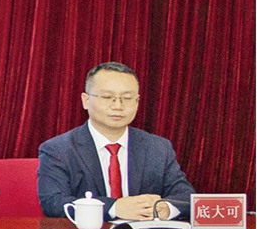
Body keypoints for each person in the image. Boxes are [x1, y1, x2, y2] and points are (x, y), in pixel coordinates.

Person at [38, 62, 193, 220]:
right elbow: (53, 202)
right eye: (107, 97)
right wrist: (114, 208)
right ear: (86, 100)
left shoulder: (158, 148)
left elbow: (186, 197)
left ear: (137, 102)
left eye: (127, 98)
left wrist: (167, 208)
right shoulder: (58, 149)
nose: (118, 106)